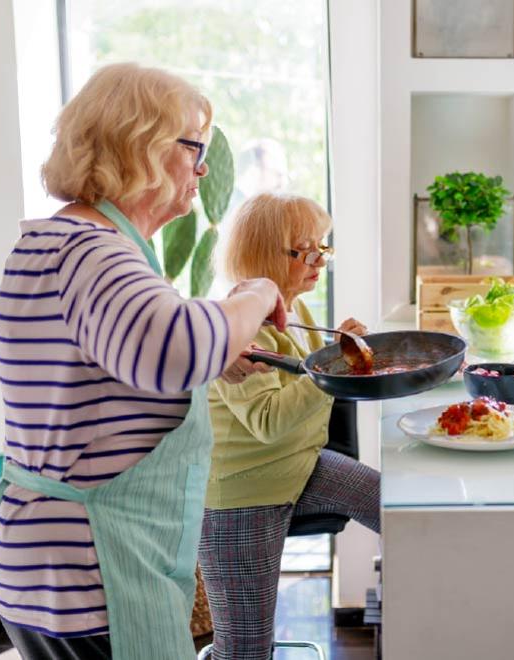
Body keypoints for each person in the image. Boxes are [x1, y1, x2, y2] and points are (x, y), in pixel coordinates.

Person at [0, 63, 287, 660]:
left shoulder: (63, 242)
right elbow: (175, 348)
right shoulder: (92, 252)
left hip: (52, 569)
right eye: (194, 145)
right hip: (92, 578)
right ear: (140, 147)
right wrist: (257, 293)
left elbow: (103, 367)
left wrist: (216, 360)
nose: (203, 168)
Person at [198, 193, 381, 660]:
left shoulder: (294, 309)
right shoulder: (241, 324)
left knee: (395, 508)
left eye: (324, 248)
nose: (320, 261)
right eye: (307, 250)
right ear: (264, 254)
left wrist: (340, 348)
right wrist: (334, 366)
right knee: (244, 649)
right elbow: (268, 420)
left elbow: (310, 378)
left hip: (297, 466)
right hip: (244, 491)